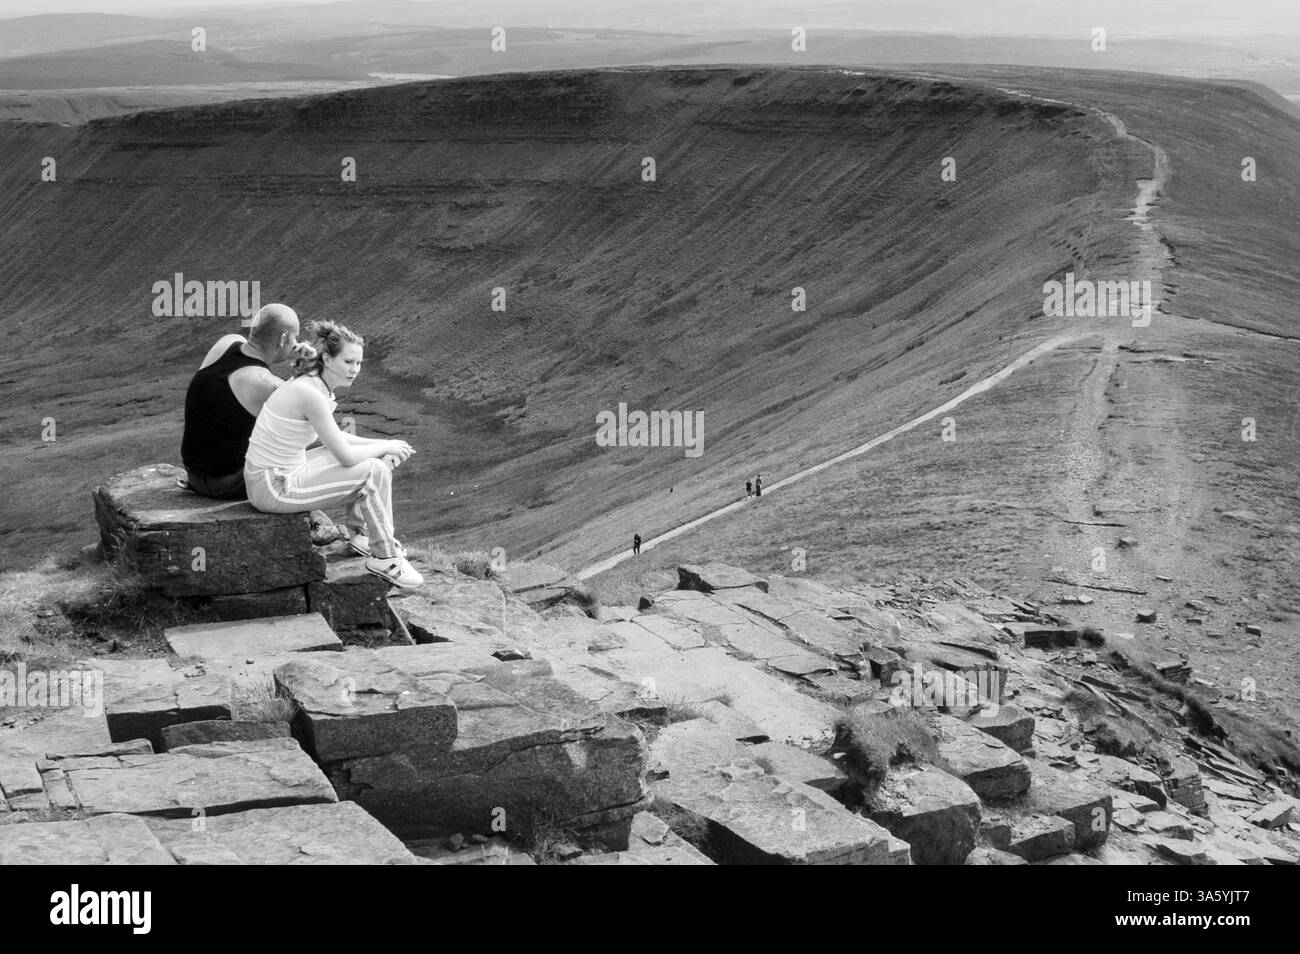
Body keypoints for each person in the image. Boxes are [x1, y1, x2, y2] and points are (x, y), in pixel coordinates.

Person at [243, 320, 424, 588]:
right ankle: (385, 558)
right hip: (274, 487)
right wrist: (387, 447)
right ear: (327, 359)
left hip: (276, 475)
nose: (355, 370)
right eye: (349, 362)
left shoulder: (312, 384)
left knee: (376, 460)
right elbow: (347, 458)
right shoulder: (310, 393)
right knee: (374, 470)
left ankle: (363, 535)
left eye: (359, 363)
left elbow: (331, 439)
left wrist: (386, 443)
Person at [180, 304, 307, 499]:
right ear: (283, 339)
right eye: (295, 337)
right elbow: (316, 419)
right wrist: (311, 368)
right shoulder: (268, 385)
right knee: (311, 455)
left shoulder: (226, 344)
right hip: (225, 483)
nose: (296, 343)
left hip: (195, 473)